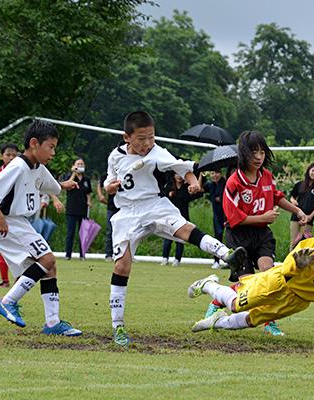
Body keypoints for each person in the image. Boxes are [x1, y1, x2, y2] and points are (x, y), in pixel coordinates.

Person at [103, 111, 246, 346]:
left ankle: (226, 254)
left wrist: (192, 183)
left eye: (151, 136)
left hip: (155, 205)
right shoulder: (115, 156)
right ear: (126, 137)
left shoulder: (158, 153)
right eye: (141, 138)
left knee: (185, 228)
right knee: (122, 265)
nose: (147, 143)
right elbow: (109, 180)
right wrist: (110, 187)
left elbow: (184, 168)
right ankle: (118, 326)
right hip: (127, 214)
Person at [0, 120, 82, 336]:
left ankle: (52, 323)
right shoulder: (17, 165)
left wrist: (64, 185)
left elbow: (51, 185)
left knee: (49, 268)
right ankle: (7, 301)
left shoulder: (38, 168)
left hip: (19, 223)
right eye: (50, 147)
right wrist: (0, 219)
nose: (53, 152)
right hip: (6, 222)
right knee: (47, 259)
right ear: (34, 143)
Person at [187, 214, 314, 334]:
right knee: (237, 305)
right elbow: (291, 261)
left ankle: (217, 322)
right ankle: (210, 284)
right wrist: (297, 265)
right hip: (280, 282)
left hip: (298, 301)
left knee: (253, 320)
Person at [210, 130, 309, 337]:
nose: (258, 157)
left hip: (262, 235)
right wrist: (263, 217)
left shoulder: (267, 176)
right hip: (238, 236)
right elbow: (233, 219)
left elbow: (277, 197)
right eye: (253, 152)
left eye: (262, 152)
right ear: (243, 153)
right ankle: (217, 300)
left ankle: (269, 322)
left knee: (268, 278)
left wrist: (297, 211)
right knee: (250, 286)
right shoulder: (233, 183)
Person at [0, 143, 19, 287]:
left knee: (18, 248)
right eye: (8, 154)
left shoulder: (20, 172)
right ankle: (5, 280)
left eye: (14, 155)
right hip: (0, 216)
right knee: (3, 249)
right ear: (2, 157)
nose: (11, 157)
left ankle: (19, 278)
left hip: (16, 216)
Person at [161, 173, 203, 266]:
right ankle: (165, 258)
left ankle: (177, 259)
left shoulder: (187, 187)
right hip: (169, 217)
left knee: (180, 240)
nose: (179, 176)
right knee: (167, 239)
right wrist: (168, 195)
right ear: (174, 175)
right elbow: (161, 197)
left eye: (181, 174)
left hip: (182, 217)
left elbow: (199, 193)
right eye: (177, 174)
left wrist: (199, 177)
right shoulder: (169, 186)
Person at [61, 158, 93, 260]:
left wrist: (89, 201)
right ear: (74, 165)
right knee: (70, 233)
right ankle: (68, 255)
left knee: (83, 233)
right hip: (71, 209)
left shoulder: (86, 179)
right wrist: (74, 173)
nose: (80, 166)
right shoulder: (70, 177)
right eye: (78, 164)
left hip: (83, 209)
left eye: (82, 164)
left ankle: (82, 255)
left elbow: (88, 192)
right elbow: (67, 184)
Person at [289, 163, 314, 250]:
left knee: (304, 243)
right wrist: (293, 201)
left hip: (308, 218)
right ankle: (290, 262)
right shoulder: (299, 184)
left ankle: (302, 263)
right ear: (308, 172)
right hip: (296, 216)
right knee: (293, 242)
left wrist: (310, 216)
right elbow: (292, 197)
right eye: (312, 170)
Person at [203, 169, 226, 269]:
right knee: (218, 235)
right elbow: (200, 188)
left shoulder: (226, 183)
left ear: (221, 174)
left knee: (230, 237)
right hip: (217, 215)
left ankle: (229, 259)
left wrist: (221, 198)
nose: (215, 175)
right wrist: (201, 175)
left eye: (216, 173)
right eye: (212, 173)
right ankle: (216, 260)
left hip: (227, 214)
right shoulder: (211, 184)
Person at [97, 172, 118, 261]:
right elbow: (100, 184)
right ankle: (109, 254)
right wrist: (100, 195)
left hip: (124, 207)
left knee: (126, 232)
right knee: (110, 231)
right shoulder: (109, 175)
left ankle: (124, 254)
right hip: (112, 207)